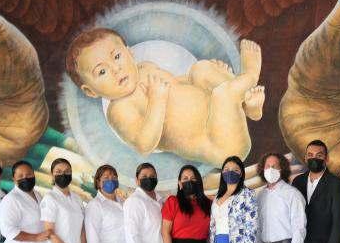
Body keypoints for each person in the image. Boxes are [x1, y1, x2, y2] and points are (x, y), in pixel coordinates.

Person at [65, 28, 265, 165]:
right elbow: (144, 144)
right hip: (221, 145)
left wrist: (208, 78)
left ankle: (248, 106)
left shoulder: (145, 68)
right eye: (102, 71)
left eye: (117, 57)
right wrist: (157, 101)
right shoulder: (120, 110)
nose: (116, 69)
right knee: (223, 95)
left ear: (130, 53)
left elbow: (178, 85)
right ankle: (250, 75)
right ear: (91, 91)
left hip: (221, 117)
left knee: (200, 69)